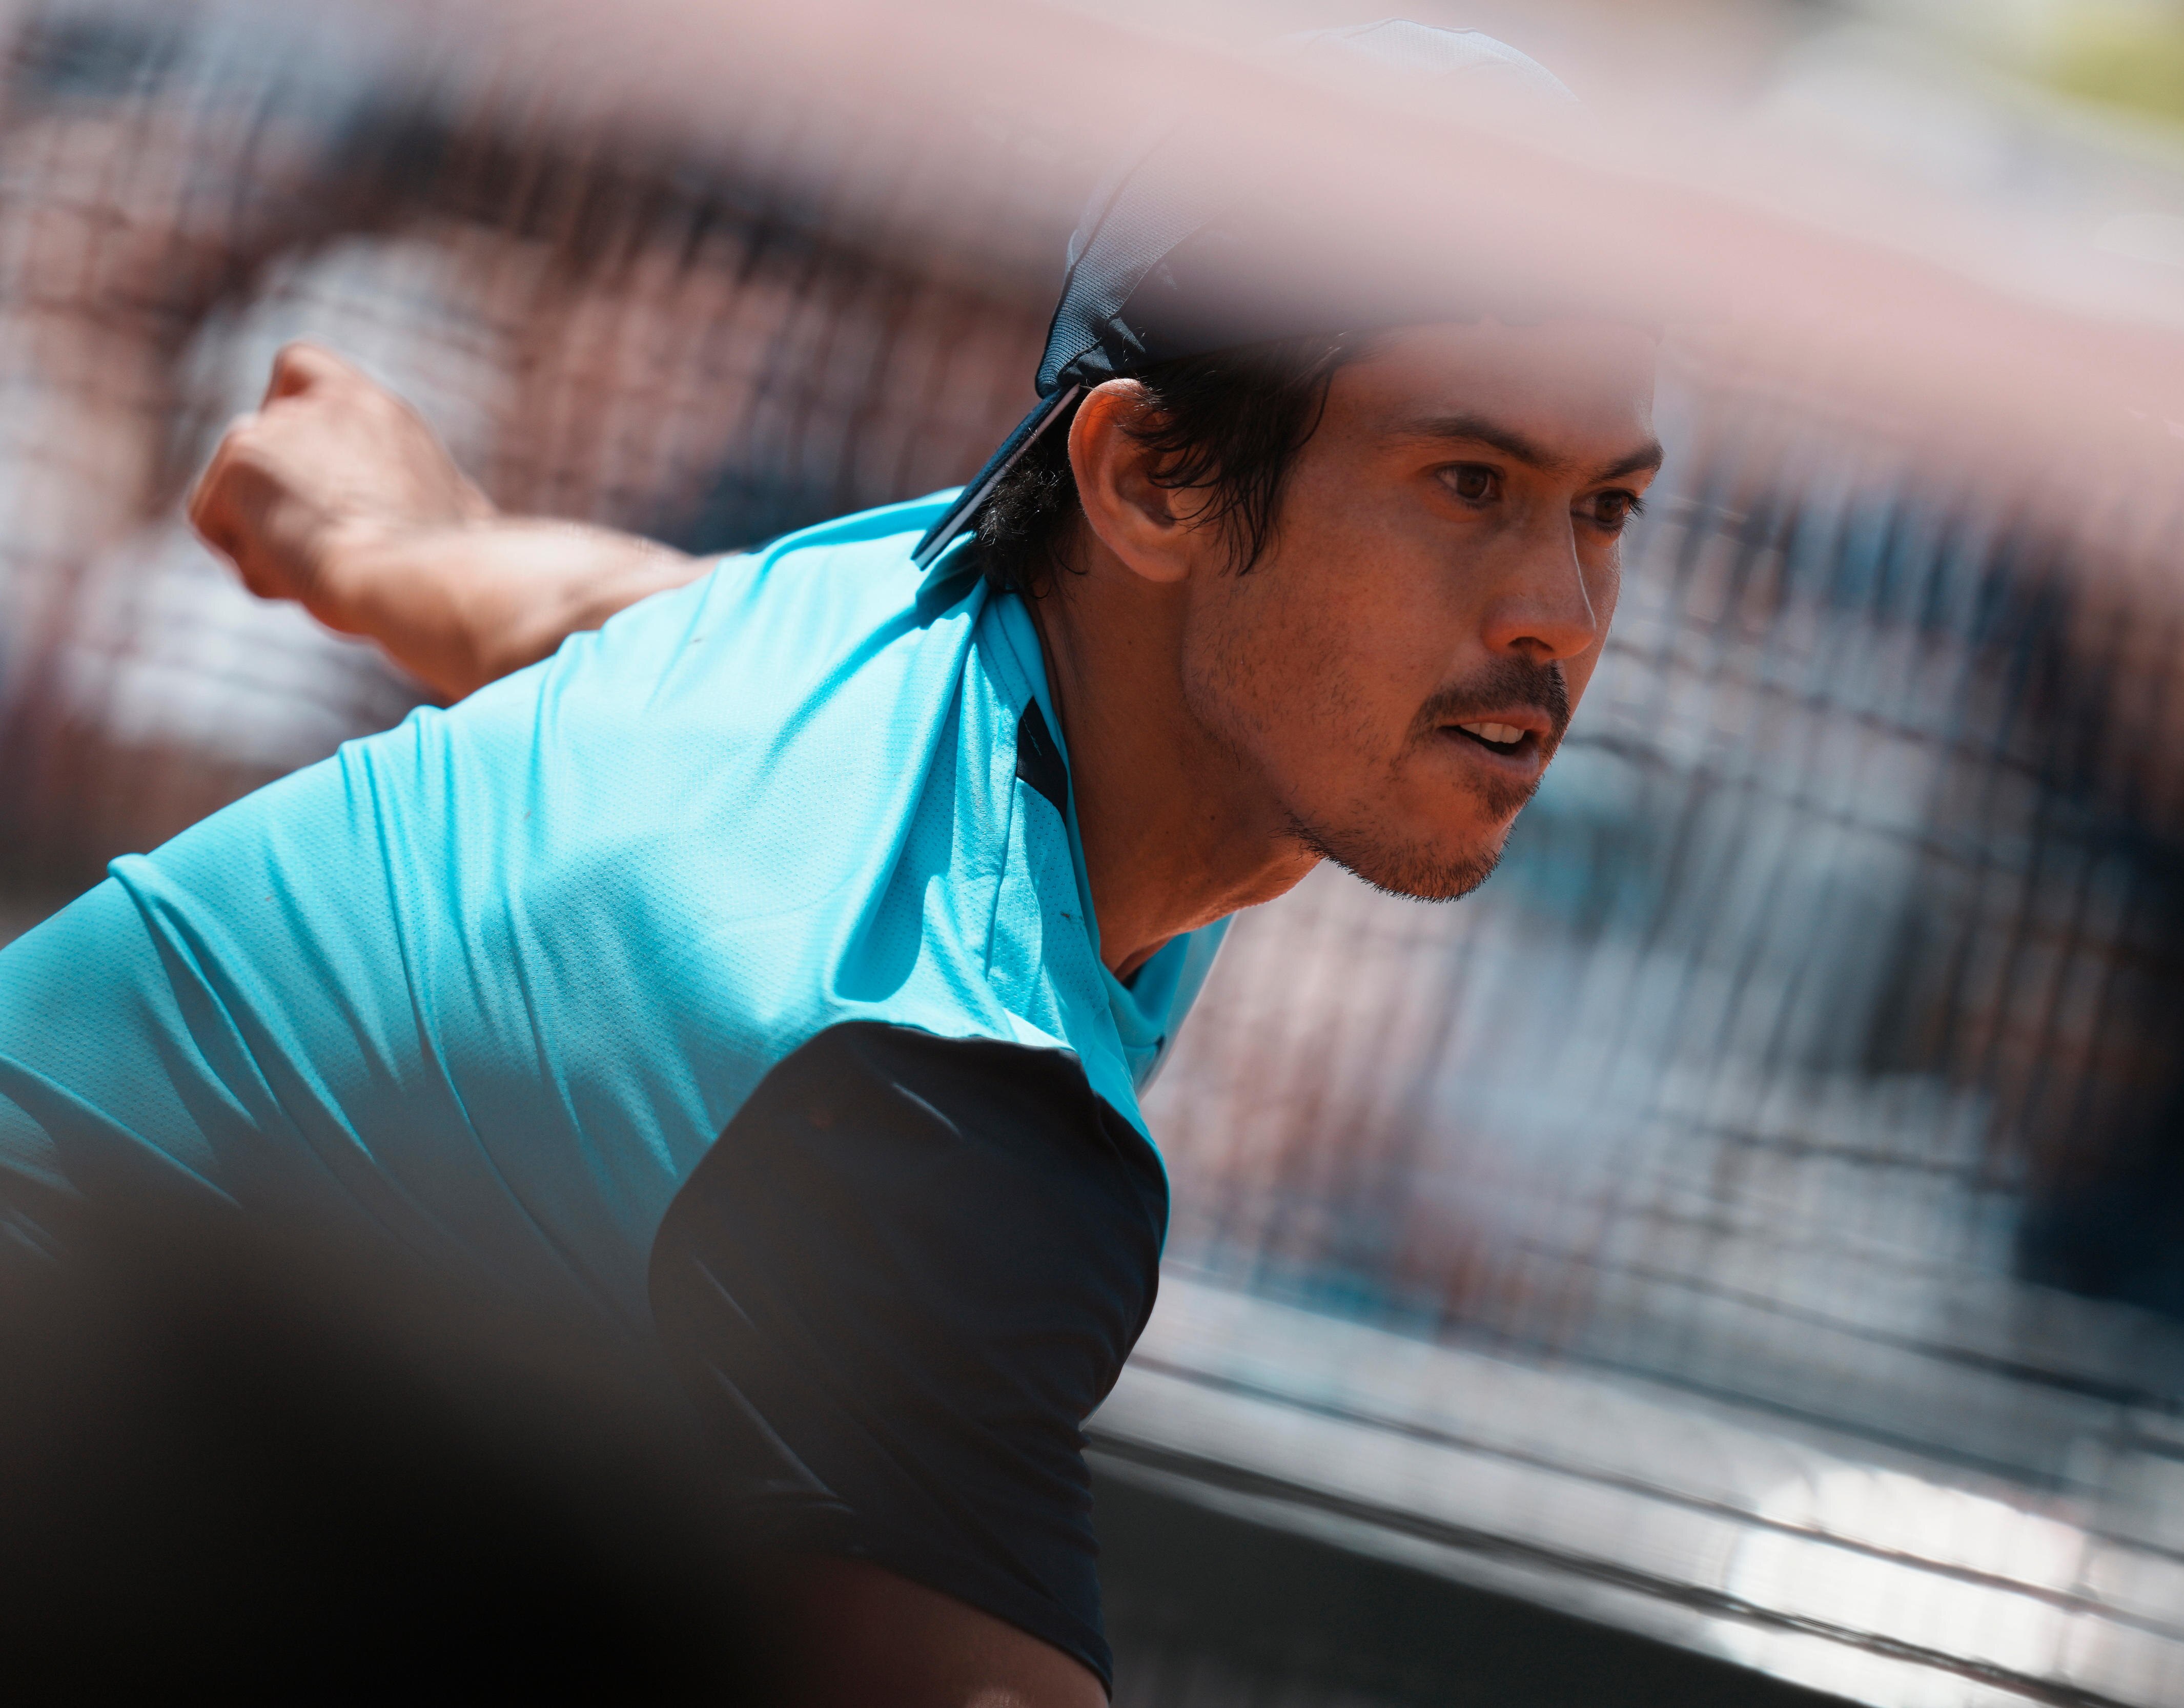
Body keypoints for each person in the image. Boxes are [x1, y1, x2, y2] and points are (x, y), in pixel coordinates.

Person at [0, 22, 1659, 1706]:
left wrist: (396, 555)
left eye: (1606, 508)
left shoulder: (948, 626)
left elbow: (637, 613)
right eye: (1469, 482)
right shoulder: (942, 1108)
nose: (1561, 612)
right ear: (1149, 478)